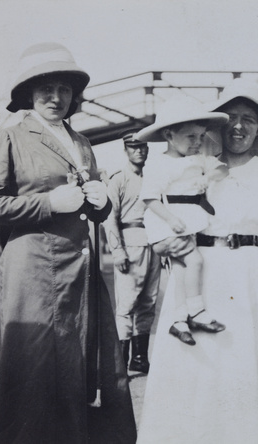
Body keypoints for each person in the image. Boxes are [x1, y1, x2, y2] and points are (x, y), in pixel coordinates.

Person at [136, 78, 258, 444]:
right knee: (196, 365)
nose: (238, 126)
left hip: (248, 275)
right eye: (231, 117)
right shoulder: (195, 165)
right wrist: (160, 243)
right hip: (197, 270)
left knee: (240, 366)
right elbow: (159, 206)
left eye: (248, 119)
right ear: (217, 125)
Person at [0, 42, 136, 444]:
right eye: (45, 87)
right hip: (34, 273)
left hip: (81, 273)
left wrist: (102, 203)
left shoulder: (81, 142)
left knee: (80, 368)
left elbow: (88, 204)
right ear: (28, 92)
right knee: (34, 371)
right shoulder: (12, 135)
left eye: (64, 88)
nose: (55, 97)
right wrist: (47, 202)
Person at [136, 96, 229, 346]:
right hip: (167, 224)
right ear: (169, 135)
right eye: (191, 137)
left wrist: (208, 176)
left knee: (181, 270)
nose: (198, 143)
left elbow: (223, 169)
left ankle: (179, 321)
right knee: (196, 260)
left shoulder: (198, 159)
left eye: (201, 137)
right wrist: (171, 219)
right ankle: (197, 311)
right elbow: (149, 198)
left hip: (185, 223)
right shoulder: (159, 164)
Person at [104, 129, 161, 374]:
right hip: (130, 242)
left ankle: (139, 359)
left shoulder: (154, 177)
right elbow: (110, 217)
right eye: (133, 147)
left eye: (143, 147)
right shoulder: (118, 178)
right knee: (126, 305)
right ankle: (118, 365)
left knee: (148, 302)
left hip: (154, 242)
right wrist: (118, 252)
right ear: (125, 150)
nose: (139, 150)